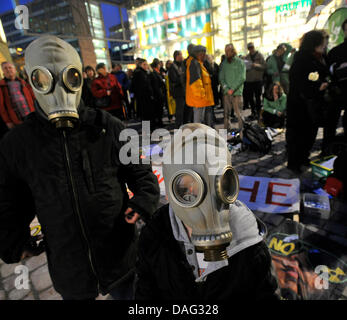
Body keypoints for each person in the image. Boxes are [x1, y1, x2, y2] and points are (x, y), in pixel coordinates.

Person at [0, 35, 160, 300]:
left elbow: (141, 170)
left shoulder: (109, 126)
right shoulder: (18, 144)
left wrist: (143, 201)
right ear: (31, 82)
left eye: (68, 77)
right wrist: (12, 239)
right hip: (69, 264)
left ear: (78, 79)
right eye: (44, 80)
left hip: (119, 253)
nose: (58, 90)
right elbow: (8, 198)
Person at [135, 123, 279, 300]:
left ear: (229, 185)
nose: (207, 205)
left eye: (218, 185)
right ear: (172, 193)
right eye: (187, 190)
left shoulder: (249, 245)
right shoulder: (155, 236)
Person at [286, 30, 330, 174]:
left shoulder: (321, 57)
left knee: (310, 134)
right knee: (298, 135)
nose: (325, 45)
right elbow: (301, 81)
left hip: (313, 104)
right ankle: (294, 163)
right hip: (300, 105)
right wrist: (318, 86)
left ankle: (303, 158)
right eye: (322, 43)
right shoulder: (302, 59)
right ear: (314, 44)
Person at [325, 19, 347, 153]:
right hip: (337, 92)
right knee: (331, 121)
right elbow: (327, 72)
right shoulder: (335, 51)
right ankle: (327, 148)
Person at [0, 61, 35, 138]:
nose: (8, 70)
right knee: (24, 138)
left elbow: (33, 97)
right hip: (16, 119)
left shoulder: (23, 82)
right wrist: (8, 121)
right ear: (3, 71)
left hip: (30, 114)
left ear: (14, 70)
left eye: (10, 67)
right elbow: (1, 106)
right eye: (5, 68)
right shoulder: (2, 85)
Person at [219, 43, 246, 136]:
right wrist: (227, 88)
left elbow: (242, 77)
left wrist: (233, 89)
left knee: (239, 114)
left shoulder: (240, 62)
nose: (226, 53)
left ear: (233, 51)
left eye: (228, 51)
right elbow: (221, 77)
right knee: (226, 115)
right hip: (227, 93)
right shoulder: (224, 64)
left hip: (237, 93)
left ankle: (243, 133)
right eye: (225, 51)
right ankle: (225, 134)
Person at [185, 45, 214, 126]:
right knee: (198, 122)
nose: (205, 56)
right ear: (199, 54)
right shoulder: (194, 63)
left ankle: (199, 136)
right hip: (199, 99)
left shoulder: (197, 63)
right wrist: (202, 95)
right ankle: (198, 137)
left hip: (200, 99)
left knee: (200, 121)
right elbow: (195, 82)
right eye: (204, 54)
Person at [243, 43, 266, 120]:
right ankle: (253, 112)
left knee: (258, 97)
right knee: (250, 98)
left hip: (257, 80)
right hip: (249, 80)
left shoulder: (260, 56)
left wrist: (256, 65)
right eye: (249, 48)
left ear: (254, 47)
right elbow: (243, 68)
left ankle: (259, 113)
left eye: (252, 47)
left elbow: (264, 66)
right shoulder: (246, 57)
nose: (251, 49)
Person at [131, 59, 155, 129]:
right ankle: (147, 129)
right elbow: (136, 86)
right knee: (145, 114)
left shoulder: (144, 72)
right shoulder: (139, 73)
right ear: (140, 65)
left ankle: (149, 128)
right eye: (144, 64)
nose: (146, 66)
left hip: (145, 97)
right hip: (143, 97)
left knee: (146, 114)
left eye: (146, 64)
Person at [168, 50, 185, 129]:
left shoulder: (181, 65)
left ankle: (182, 125)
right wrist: (183, 77)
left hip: (183, 91)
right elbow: (174, 79)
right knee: (179, 110)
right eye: (181, 55)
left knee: (183, 110)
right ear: (176, 56)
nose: (182, 56)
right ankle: (178, 126)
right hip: (178, 92)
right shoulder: (173, 67)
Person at [150, 59, 165, 128]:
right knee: (158, 110)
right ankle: (159, 123)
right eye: (159, 64)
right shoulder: (154, 73)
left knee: (160, 109)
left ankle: (159, 122)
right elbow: (156, 85)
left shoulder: (157, 72)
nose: (160, 66)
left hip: (159, 93)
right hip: (158, 94)